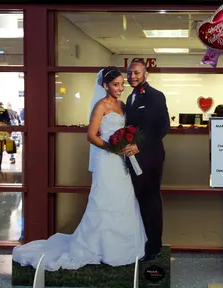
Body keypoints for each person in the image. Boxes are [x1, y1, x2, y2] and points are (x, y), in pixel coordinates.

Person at [12, 67, 146, 271]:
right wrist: (111, 147)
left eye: (121, 84)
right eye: (116, 84)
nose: (120, 88)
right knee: (104, 199)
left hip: (120, 162)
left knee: (123, 198)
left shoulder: (122, 105)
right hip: (106, 158)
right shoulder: (101, 106)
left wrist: (127, 143)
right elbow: (91, 135)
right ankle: (96, 247)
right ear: (105, 85)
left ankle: (121, 248)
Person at [122, 59, 170, 261]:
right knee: (138, 200)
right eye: (130, 73)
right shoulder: (130, 97)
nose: (132, 76)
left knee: (150, 201)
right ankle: (141, 242)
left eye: (137, 73)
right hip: (132, 159)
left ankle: (154, 247)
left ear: (145, 74)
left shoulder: (155, 96)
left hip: (149, 158)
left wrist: (139, 146)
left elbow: (163, 127)